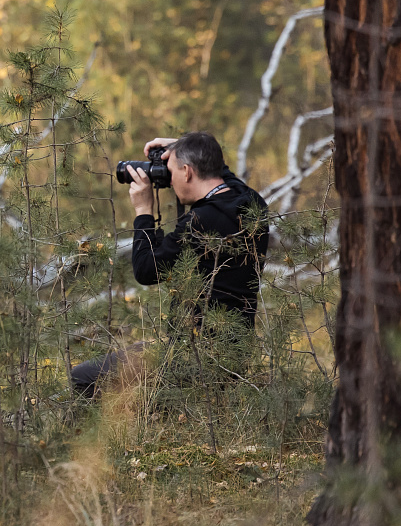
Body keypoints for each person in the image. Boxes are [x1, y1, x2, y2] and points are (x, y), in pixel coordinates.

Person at [70, 131, 269, 397]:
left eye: (171, 171)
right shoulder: (252, 203)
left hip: (191, 358)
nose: (168, 179)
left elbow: (145, 270)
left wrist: (143, 211)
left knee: (82, 377)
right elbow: (221, 173)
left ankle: (94, 438)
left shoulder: (199, 223)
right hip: (236, 353)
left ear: (187, 172)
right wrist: (181, 148)